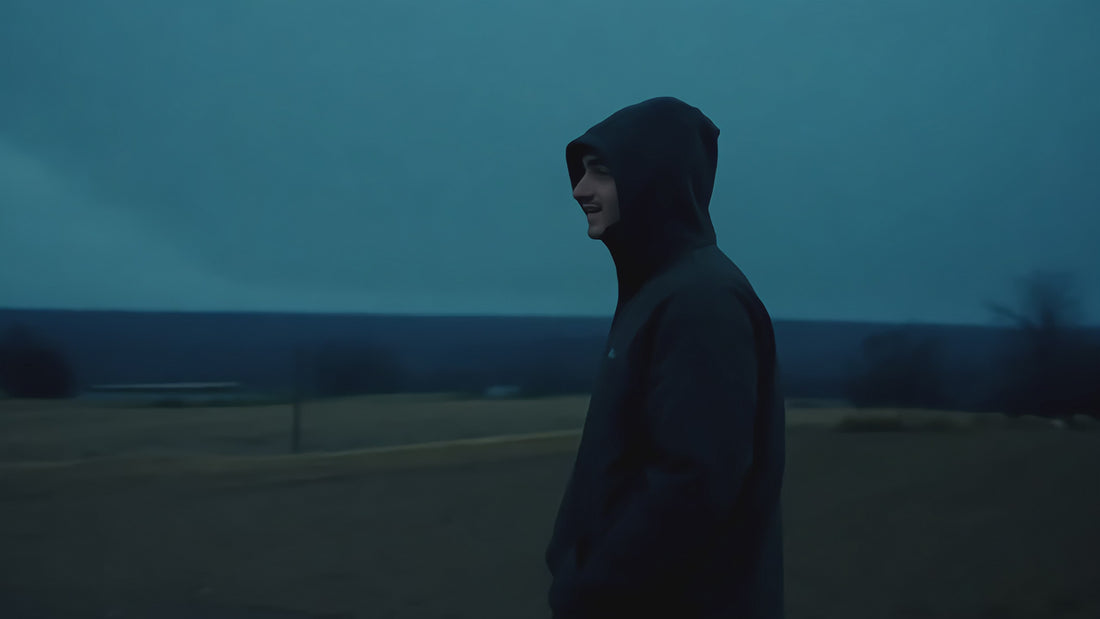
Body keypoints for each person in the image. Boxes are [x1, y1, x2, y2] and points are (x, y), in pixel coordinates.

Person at [545, 97, 786, 618]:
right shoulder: (660, 291)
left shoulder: (702, 301)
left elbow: (694, 483)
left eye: (601, 172)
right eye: (581, 172)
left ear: (654, 179)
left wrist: (592, 586)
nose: (579, 189)